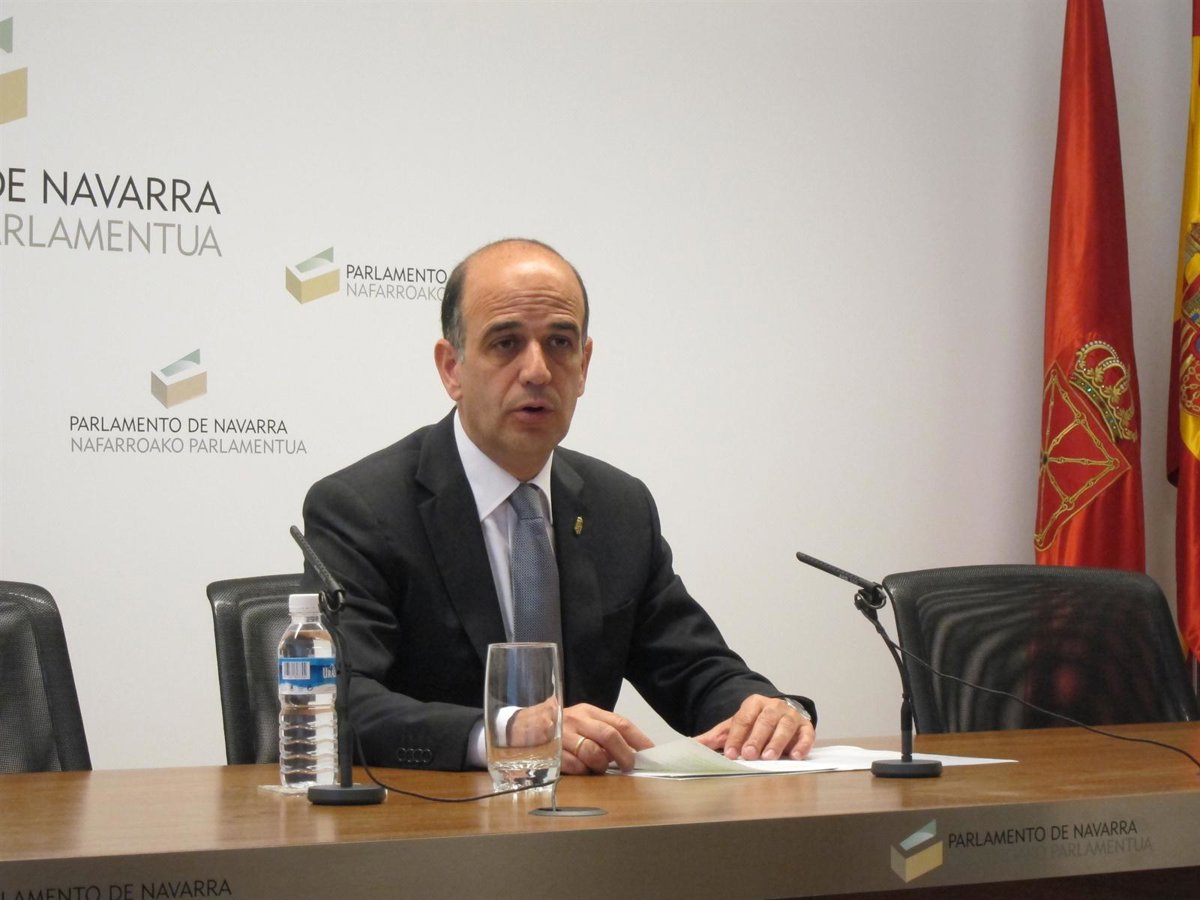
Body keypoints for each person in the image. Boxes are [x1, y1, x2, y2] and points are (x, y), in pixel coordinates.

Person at [300, 238, 816, 774]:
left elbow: (693, 668)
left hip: (585, 817)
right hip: (428, 816)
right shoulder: (363, 508)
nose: (538, 371)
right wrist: (503, 733)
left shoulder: (620, 507)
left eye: (560, 343)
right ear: (452, 368)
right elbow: (337, 698)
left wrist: (768, 711)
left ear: (584, 364)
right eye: (505, 343)